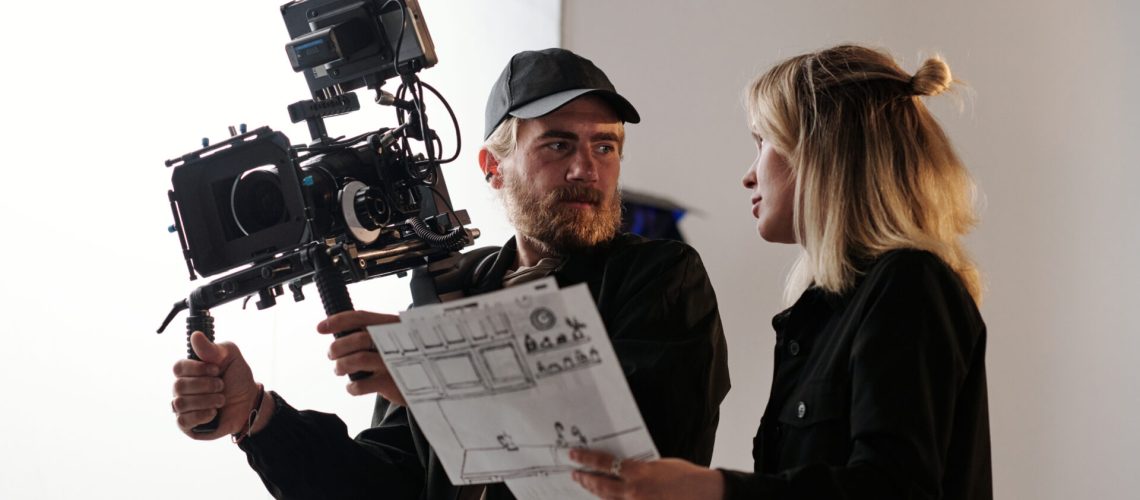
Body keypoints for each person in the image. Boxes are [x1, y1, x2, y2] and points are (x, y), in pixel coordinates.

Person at [170, 48, 731, 499]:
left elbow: (637, 471)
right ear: (493, 168)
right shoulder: (451, 291)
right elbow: (383, 482)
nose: (586, 168)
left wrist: (436, 388)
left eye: (604, 146)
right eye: (558, 143)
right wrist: (259, 417)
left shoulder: (660, 276)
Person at [571, 44, 992, 499]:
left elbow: (894, 486)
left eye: (761, 143)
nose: (748, 176)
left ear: (823, 150)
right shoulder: (821, 311)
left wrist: (713, 490)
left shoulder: (910, 284)